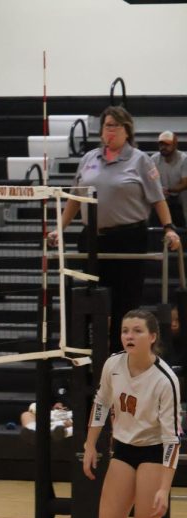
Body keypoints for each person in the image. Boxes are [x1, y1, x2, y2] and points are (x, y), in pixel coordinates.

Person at [50, 106, 182, 353]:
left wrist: (169, 227)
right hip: (91, 241)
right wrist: (59, 228)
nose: (109, 131)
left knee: (124, 304)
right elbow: (75, 199)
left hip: (128, 240)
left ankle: (121, 356)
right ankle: (91, 358)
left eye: (114, 126)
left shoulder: (140, 160)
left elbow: (157, 199)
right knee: (91, 300)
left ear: (126, 130)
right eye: (106, 126)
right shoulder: (89, 159)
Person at [85, 309, 180, 518]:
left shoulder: (165, 379)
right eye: (125, 330)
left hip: (154, 452)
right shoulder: (113, 365)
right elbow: (101, 402)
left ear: (152, 337)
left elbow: (172, 438)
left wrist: (164, 487)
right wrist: (90, 444)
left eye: (137, 330)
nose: (129, 335)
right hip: (123, 448)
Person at [152, 131, 187, 228]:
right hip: (162, 192)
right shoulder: (154, 159)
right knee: (151, 194)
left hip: (179, 193)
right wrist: (159, 190)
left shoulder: (184, 159)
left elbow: (185, 183)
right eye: (161, 144)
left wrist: (169, 190)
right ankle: (153, 228)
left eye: (167, 144)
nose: (163, 147)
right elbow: (151, 180)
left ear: (175, 145)